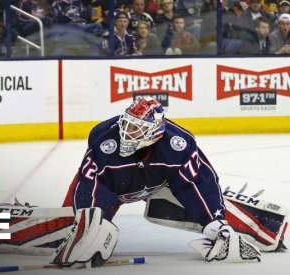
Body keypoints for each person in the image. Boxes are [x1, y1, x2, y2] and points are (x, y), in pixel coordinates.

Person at [51, 96, 261, 267]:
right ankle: (25, 223)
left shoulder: (178, 144)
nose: (125, 132)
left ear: (155, 131)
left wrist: (216, 221)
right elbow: (90, 184)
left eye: (135, 128)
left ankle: (259, 226)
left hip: (159, 187)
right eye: (126, 124)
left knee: (213, 219)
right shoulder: (103, 139)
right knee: (70, 231)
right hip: (113, 188)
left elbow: (198, 182)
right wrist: (89, 225)